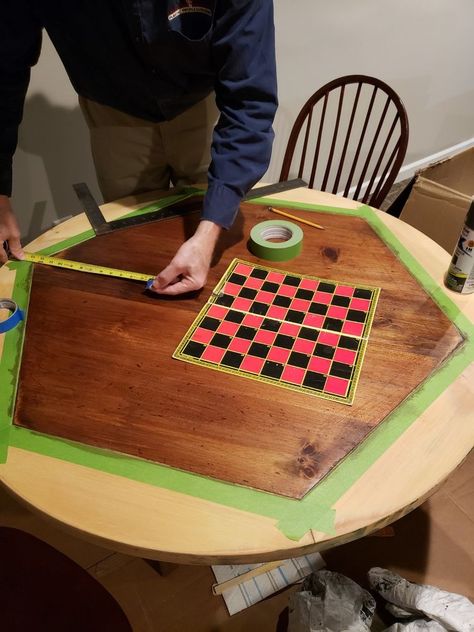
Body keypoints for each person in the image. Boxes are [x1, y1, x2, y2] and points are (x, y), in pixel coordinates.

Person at [0, 0, 278, 295]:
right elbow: (5, 64)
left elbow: (250, 101)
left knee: (210, 250)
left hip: (197, 102)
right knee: (133, 251)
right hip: (112, 110)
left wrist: (209, 230)